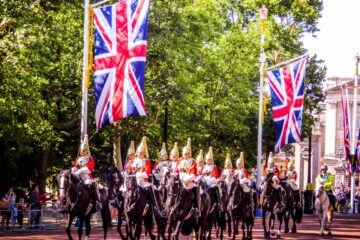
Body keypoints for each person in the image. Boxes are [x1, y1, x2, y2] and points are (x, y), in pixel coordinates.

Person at [127, 137, 166, 218]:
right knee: (124, 192)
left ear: (144, 153)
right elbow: (129, 169)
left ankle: (156, 207)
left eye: (142, 152)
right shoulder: (133, 161)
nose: (140, 153)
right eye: (139, 152)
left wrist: (138, 175)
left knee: (152, 191)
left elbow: (147, 171)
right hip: (133, 181)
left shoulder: (146, 161)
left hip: (143, 182)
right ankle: (125, 208)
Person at [71, 134, 102, 210]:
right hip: (77, 175)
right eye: (82, 150)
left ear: (87, 150)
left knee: (91, 184)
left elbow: (89, 169)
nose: (83, 151)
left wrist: (79, 171)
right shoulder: (78, 159)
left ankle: (97, 202)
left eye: (84, 150)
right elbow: (75, 167)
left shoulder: (90, 159)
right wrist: (73, 169)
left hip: (86, 176)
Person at [178, 138, 201, 217]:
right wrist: (181, 179)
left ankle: (197, 208)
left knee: (195, 192)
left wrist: (186, 180)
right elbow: (179, 172)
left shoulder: (193, 161)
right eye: (184, 153)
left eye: (186, 153)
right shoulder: (180, 162)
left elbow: (194, 174)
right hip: (181, 182)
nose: (185, 155)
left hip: (190, 182)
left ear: (189, 153)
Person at [203, 147, 223, 211]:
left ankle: (219, 204)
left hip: (211, 183)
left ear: (211, 160)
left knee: (216, 189)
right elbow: (201, 174)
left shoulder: (214, 167)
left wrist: (209, 181)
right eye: (207, 160)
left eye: (209, 160)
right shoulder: (204, 167)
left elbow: (215, 176)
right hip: (204, 183)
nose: (208, 161)